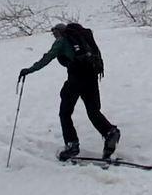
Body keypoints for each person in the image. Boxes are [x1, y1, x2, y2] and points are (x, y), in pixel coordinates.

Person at [19, 23, 120, 161]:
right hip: (91, 77)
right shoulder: (83, 39)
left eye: (54, 34)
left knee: (65, 113)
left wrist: (29, 70)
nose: (54, 37)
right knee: (93, 111)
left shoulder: (62, 42)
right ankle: (109, 132)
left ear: (59, 32)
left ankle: (72, 145)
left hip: (76, 78)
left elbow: (47, 58)